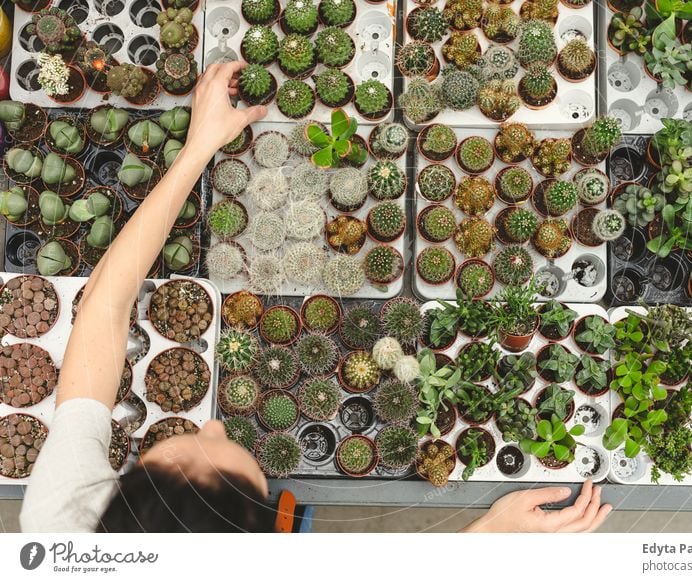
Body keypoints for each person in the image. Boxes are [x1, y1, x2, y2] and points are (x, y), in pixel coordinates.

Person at [19, 62, 612, 533]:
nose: (218, 428)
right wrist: (488, 539)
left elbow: (102, 303)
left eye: (189, 444)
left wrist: (199, 147)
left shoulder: (61, 524)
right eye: (242, 479)